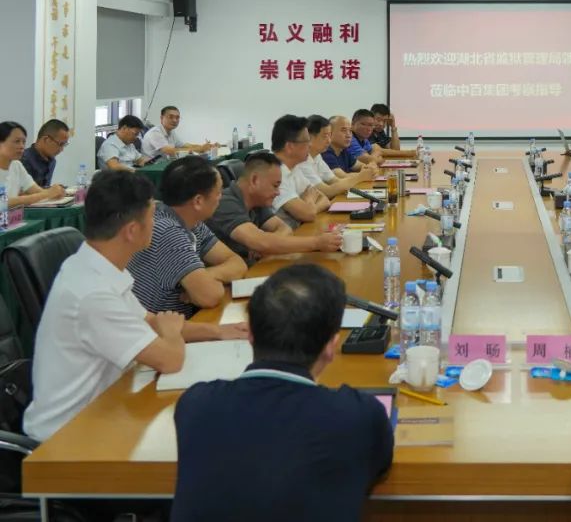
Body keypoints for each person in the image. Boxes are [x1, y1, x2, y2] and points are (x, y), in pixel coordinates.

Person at [171, 264, 394, 522]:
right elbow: (377, 465)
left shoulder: (195, 405)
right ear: (331, 346)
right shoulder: (357, 415)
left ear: (250, 334)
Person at [23, 170, 187, 441]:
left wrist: (221, 332)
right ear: (132, 231)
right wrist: (171, 332)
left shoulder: (95, 265)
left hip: (102, 411)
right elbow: (170, 359)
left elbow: (150, 321)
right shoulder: (93, 293)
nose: (155, 223)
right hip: (65, 440)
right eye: (151, 217)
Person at [128, 156, 248, 322]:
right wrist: (206, 282)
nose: (220, 197)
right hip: (155, 331)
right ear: (198, 201)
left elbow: (237, 263)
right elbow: (210, 296)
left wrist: (205, 276)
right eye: (218, 192)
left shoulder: (192, 222)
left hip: (180, 324)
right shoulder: (166, 230)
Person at [206, 152, 342, 264]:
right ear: (254, 180)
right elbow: (261, 241)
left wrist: (266, 246)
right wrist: (317, 242)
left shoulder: (257, 201)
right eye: (275, 186)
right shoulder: (225, 202)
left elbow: (284, 228)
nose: (277, 192)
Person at [271, 114, 331, 225]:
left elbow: (325, 200)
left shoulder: (294, 168)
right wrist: (309, 200)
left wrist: (309, 206)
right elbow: (308, 214)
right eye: (307, 141)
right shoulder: (274, 173)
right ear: (290, 146)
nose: (310, 145)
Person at [295, 115, 372, 199]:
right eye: (325, 136)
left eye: (329, 135)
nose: (329, 140)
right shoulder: (302, 161)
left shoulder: (317, 156)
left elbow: (335, 181)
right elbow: (327, 191)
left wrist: (363, 174)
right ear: (310, 137)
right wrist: (360, 177)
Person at [0, 121, 66, 207]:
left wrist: (55, 192)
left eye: (23, 142)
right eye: (17, 141)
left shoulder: (16, 165)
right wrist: (47, 194)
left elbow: (36, 191)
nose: (21, 146)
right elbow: (3, 202)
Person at [142, 106, 220, 159]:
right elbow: (170, 151)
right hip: (151, 168)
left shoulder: (171, 132)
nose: (175, 120)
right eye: (171, 117)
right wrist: (199, 149)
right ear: (161, 118)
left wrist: (207, 146)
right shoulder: (155, 133)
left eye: (177, 117)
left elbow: (185, 145)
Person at [21, 119, 69, 187]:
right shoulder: (23, 160)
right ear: (46, 140)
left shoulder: (52, 161)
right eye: (60, 144)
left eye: (64, 145)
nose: (62, 149)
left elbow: (44, 188)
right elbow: (23, 192)